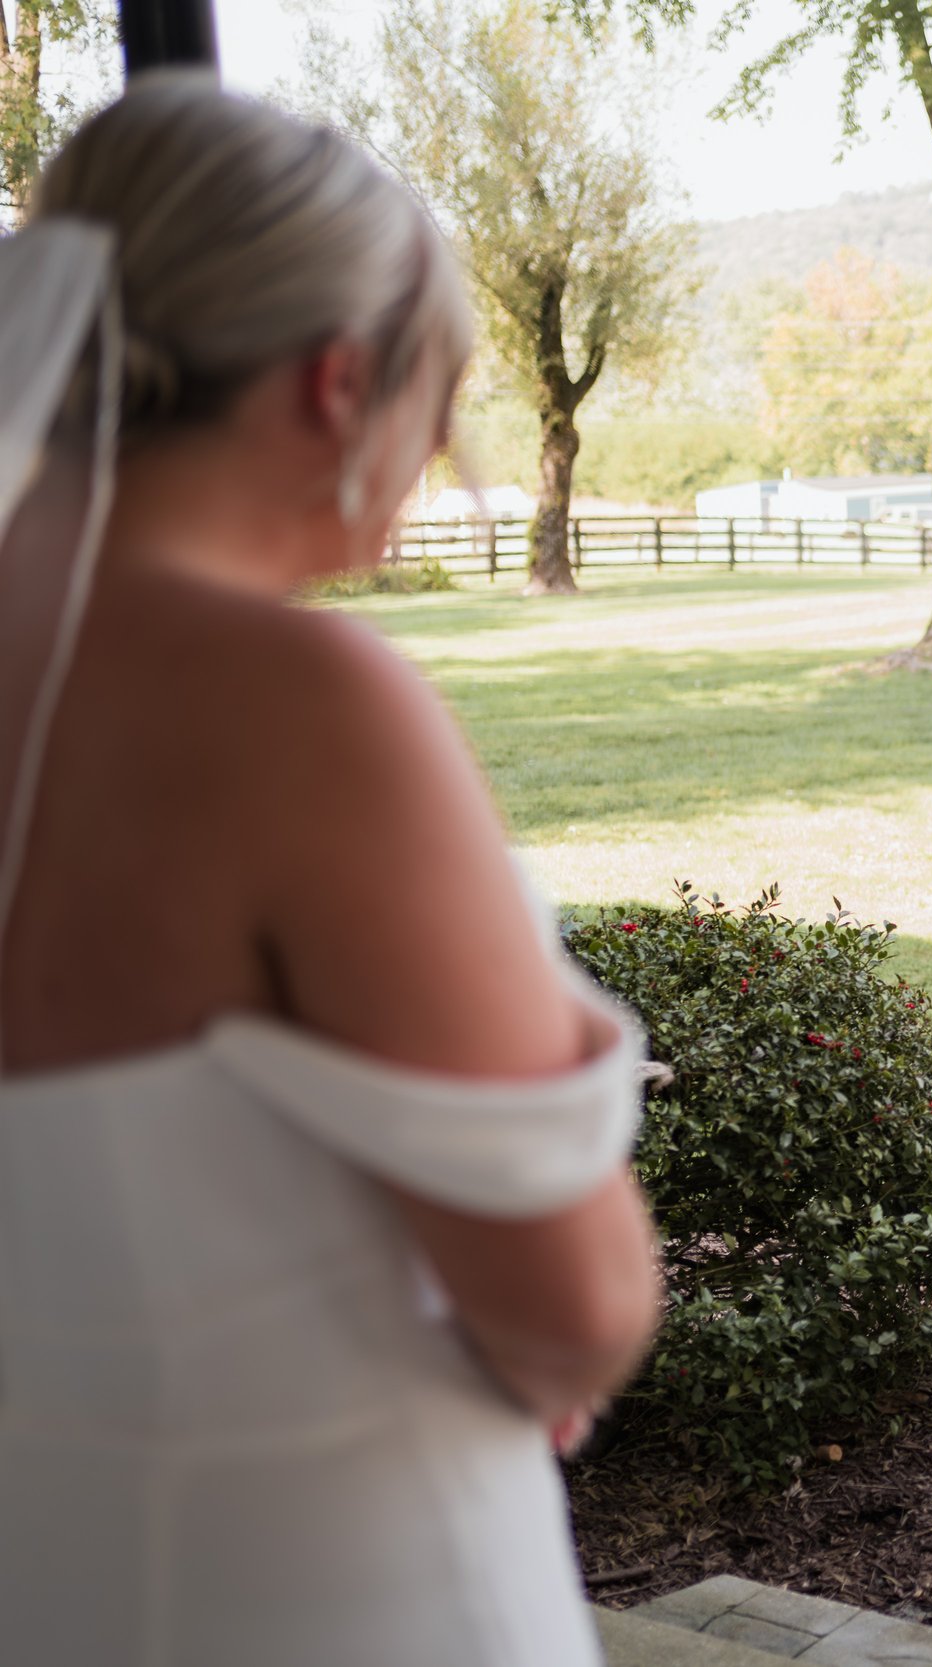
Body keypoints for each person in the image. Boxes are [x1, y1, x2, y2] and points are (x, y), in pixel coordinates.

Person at [0, 78, 659, 1665]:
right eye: (442, 390)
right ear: (340, 378)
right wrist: (562, 1334)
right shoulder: (293, 708)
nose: (438, 445)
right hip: (346, 1589)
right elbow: (574, 1303)